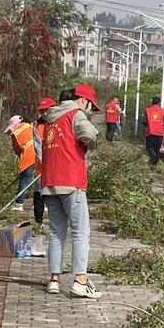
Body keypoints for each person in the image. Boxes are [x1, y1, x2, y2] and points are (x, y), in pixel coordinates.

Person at [41, 84, 102, 299]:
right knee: (80, 232)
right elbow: (88, 135)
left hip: (49, 182)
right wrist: (91, 141)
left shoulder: (51, 117)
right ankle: (80, 281)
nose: (90, 111)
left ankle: (54, 280)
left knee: (57, 233)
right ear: (84, 100)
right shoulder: (75, 114)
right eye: (91, 107)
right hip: (71, 181)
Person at [4, 115, 35, 211]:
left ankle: (19, 204)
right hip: (39, 156)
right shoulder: (31, 126)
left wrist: (21, 157)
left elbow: (17, 150)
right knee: (39, 181)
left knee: (24, 180)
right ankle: (42, 204)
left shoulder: (16, 131)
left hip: (28, 157)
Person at [33, 97, 56, 225]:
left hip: (56, 167)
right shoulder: (37, 125)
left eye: (48, 110)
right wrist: (45, 162)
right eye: (43, 111)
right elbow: (38, 147)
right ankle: (38, 222)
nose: (45, 113)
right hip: (41, 167)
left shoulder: (60, 122)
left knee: (54, 195)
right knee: (39, 194)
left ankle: (56, 222)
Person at [143, 96, 164, 165]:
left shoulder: (147, 110)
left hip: (150, 131)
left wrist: (146, 126)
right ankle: (154, 163)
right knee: (157, 149)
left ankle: (153, 160)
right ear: (159, 103)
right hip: (160, 132)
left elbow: (144, 121)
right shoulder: (163, 111)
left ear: (152, 102)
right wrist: (162, 127)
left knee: (149, 147)